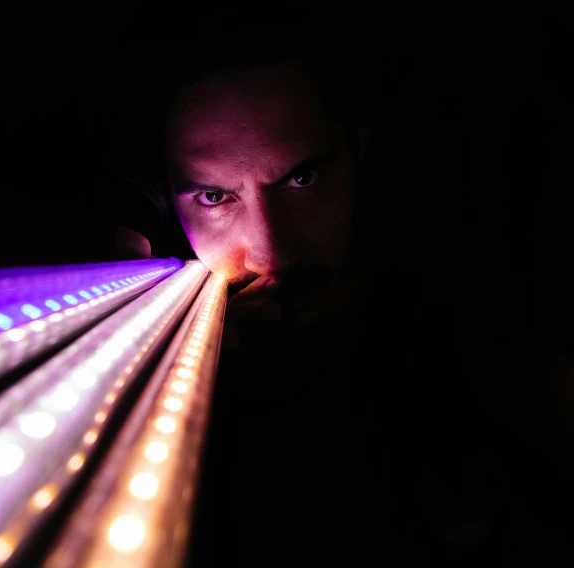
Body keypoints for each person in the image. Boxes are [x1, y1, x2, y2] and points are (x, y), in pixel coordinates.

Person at [115, 22, 574, 566]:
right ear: (165, 201)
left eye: (301, 180)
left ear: (358, 149)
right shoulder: (140, 416)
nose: (272, 251)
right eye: (216, 197)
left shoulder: (494, 347)